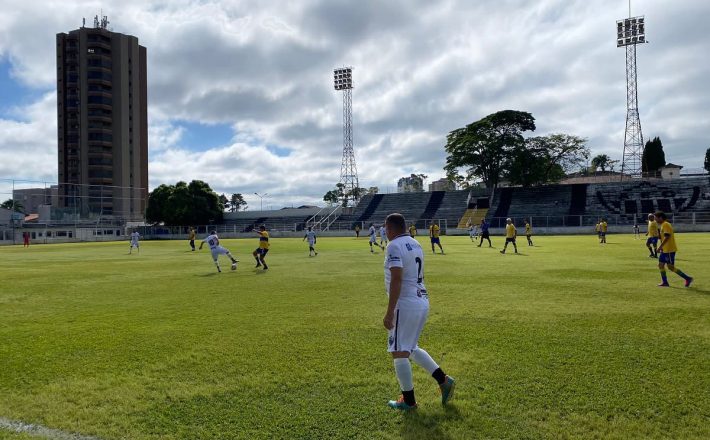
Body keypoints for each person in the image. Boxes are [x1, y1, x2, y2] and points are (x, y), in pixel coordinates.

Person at [381, 212, 455, 410]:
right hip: (421, 300)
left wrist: (389, 312)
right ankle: (444, 380)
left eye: (385, 228)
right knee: (410, 348)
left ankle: (409, 401)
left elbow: (397, 278)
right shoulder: (416, 243)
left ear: (390, 228)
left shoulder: (394, 245)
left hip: (404, 304)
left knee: (398, 351)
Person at [654, 211, 693, 288]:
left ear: (660, 218)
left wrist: (660, 247)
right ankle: (665, 282)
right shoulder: (662, 225)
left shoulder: (666, 224)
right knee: (661, 265)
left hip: (669, 250)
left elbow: (667, 237)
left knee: (671, 267)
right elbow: (662, 237)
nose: (655, 220)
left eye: (656, 218)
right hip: (665, 250)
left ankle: (687, 278)